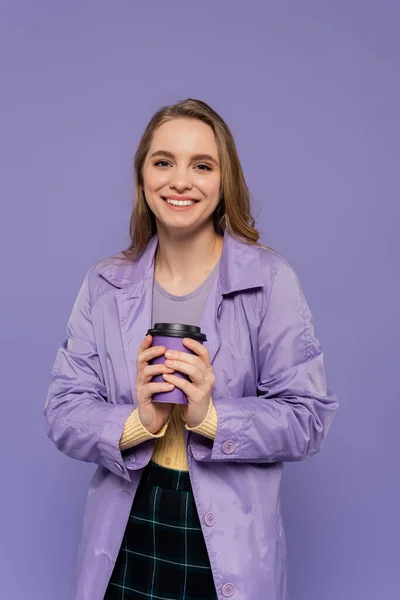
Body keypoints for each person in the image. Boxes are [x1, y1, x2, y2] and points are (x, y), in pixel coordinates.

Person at [44, 98, 338, 600]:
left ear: (225, 182)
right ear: (142, 179)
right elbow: (62, 410)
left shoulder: (270, 281)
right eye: (164, 162)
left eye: (201, 165)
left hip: (230, 541)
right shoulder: (104, 285)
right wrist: (140, 422)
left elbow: (308, 418)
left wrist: (210, 418)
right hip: (126, 530)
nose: (180, 181)